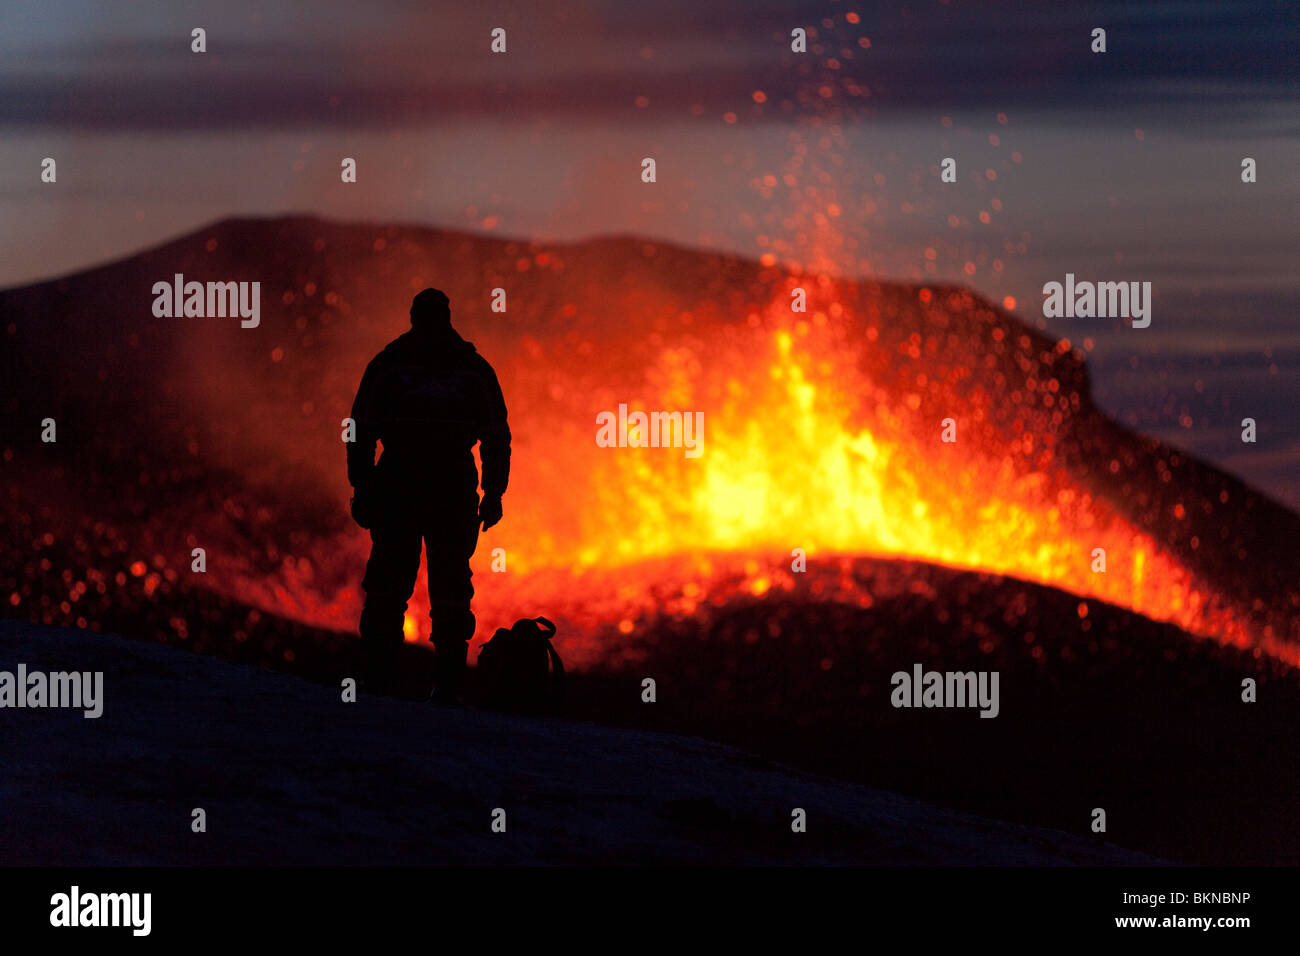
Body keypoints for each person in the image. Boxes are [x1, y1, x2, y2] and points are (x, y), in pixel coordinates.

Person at [347, 288, 510, 702]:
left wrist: (363, 487)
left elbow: (360, 431)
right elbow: (495, 437)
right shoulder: (474, 370)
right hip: (450, 488)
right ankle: (448, 687)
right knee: (450, 589)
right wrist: (492, 493)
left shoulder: (389, 365)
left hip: (399, 485)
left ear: (414, 316)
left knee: (389, 587)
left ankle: (380, 682)